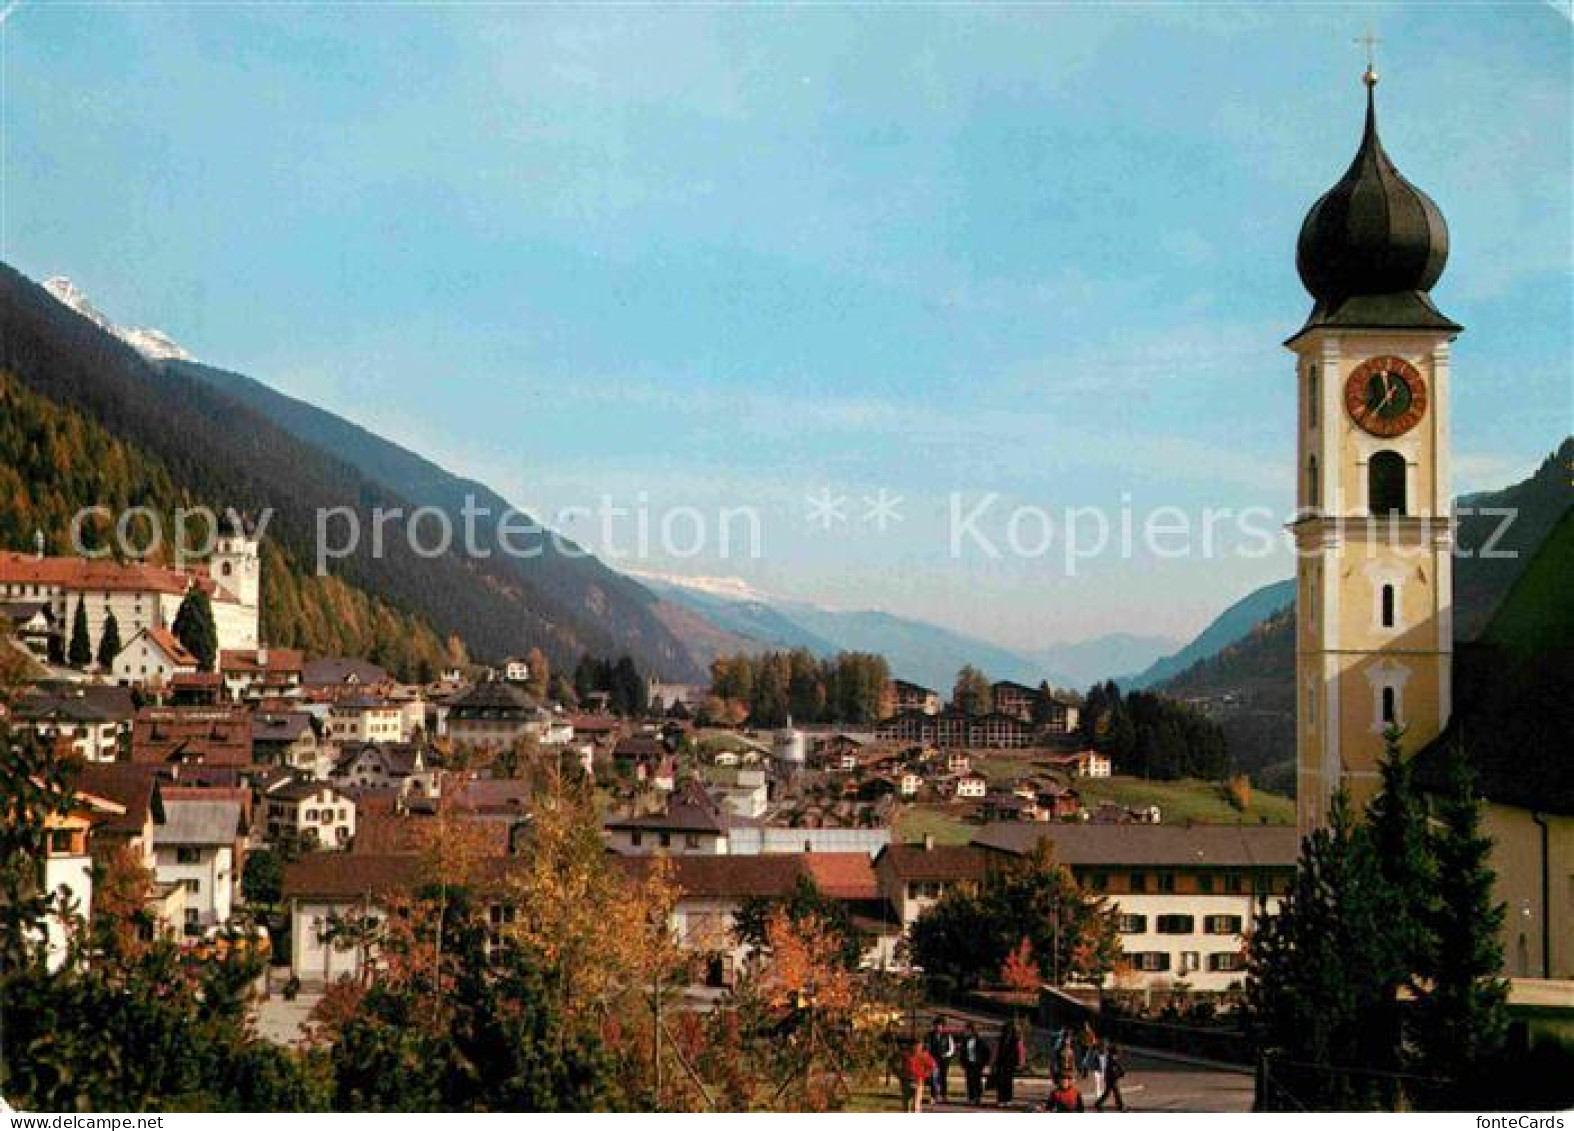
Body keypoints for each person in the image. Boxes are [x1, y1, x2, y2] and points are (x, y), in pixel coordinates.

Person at [993, 1018, 1024, 1107]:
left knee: (1008, 1082)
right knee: (1001, 1082)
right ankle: (1001, 1099)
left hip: (1010, 1063)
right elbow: (996, 1051)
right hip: (1001, 1063)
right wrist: (993, 1063)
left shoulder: (1016, 1040)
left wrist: (1020, 1063)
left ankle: (1008, 1099)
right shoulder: (1001, 1039)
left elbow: (1020, 1051)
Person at [926, 1015, 957, 1103]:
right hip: (933, 1059)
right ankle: (933, 1096)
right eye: (936, 1025)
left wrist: (946, 1055)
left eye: (939, 1025)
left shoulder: (947, 1036)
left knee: (943, 1077)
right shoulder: (929, 1035)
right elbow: (927, 1047)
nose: (937, 1027)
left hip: (944, 1060)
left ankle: (944, 1095)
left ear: (943, 1026)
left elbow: (951, 1049)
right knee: (933, 1078)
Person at [902, 1038, 938, 1113]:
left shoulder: (924, 1055)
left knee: (916, 1105)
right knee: (906, 1105)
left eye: (920, 1046)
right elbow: (897, 1065)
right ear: (911, 1046)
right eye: (916, 1046)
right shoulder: (905, 1055)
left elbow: (933, 1066)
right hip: (906, 1082)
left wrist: (925, 1075)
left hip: (918, 1082)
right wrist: (900, 1074)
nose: (918, 1048)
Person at [960, 1021, 991, 1106]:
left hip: (978, 1064)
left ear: (972, 1030)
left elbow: (987, 1052)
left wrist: (985, 1063)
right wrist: (963, 1062)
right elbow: (962, 1052)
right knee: (969, 1082)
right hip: (968, 1064)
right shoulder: (965, 1040)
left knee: (977, 1082)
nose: (966, 1031)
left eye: (968, 1029)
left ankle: (978, 1098)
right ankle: (971, 1098)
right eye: (966, 1029)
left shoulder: (980, 1040)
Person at [1095, 1044, 1127, 1112]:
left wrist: (1120, 1072)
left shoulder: (1110, 1058)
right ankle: (1120, 1106)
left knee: (1110, 1092)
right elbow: (1114, 1068)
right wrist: (1120, 1073)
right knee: (1115, 1092)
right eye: (1117, 1053)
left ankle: (1098, 1103)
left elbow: (1116, 1067)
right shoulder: (1111, 1059)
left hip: (1110, 1078)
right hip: (1111, 1078)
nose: (1118, 1055)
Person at [1081, 1039, 1106, 1104]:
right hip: (1098, 1069)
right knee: (1098, 1083)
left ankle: (1100, 1094)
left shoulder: (1102, 1053)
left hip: (1101, 1069)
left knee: (1101, 1082)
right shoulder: (1095, 1052)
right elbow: (1088, 1061)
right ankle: (1099, 1095)